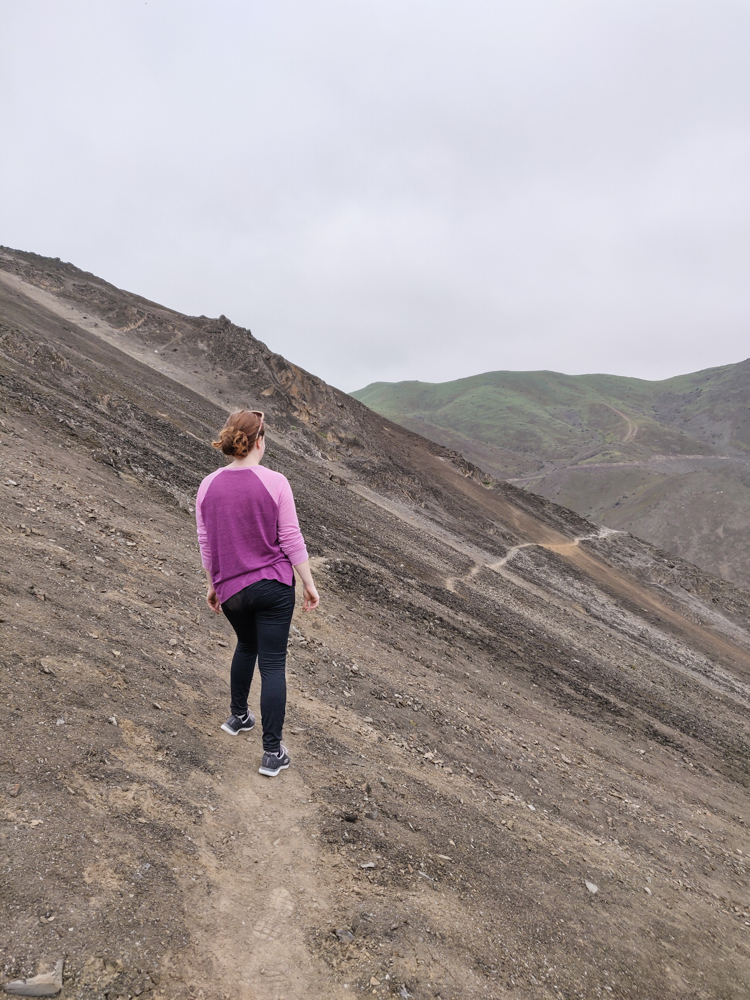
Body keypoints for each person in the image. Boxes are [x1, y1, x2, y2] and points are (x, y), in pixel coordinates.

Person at [195, 409, 319, 777]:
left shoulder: (208, 484)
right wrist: (309, 583)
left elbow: (206, 542)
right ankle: (271, 752)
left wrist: (212, 585)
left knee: (246, 646)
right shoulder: (275, 482)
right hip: (273, 587)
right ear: (259, 440)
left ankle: (237, 718)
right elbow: (290, 537)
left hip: (232, 589)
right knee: (273, 664)